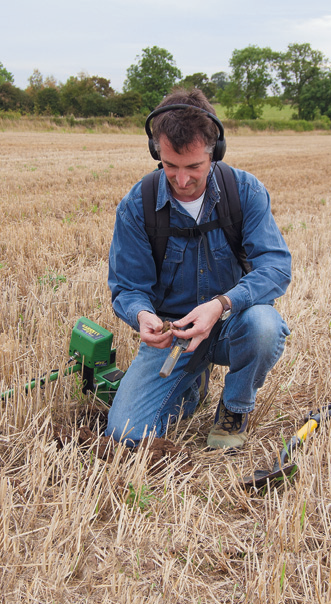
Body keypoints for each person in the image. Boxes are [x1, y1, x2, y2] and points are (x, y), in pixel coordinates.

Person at [105, 88, 291, 451]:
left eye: (194, 167)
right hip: (174, 335)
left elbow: (275, 266)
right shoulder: (136, 206)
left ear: (214, 152)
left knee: (265, 326)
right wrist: (141, 314)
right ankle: (192, 388)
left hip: (230, 323)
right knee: (127, 435)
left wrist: (221, 304)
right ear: (156, 150)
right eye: (170, 165)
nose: (182, 179)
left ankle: (234, 408)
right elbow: (128, 287)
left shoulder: (245, 191)